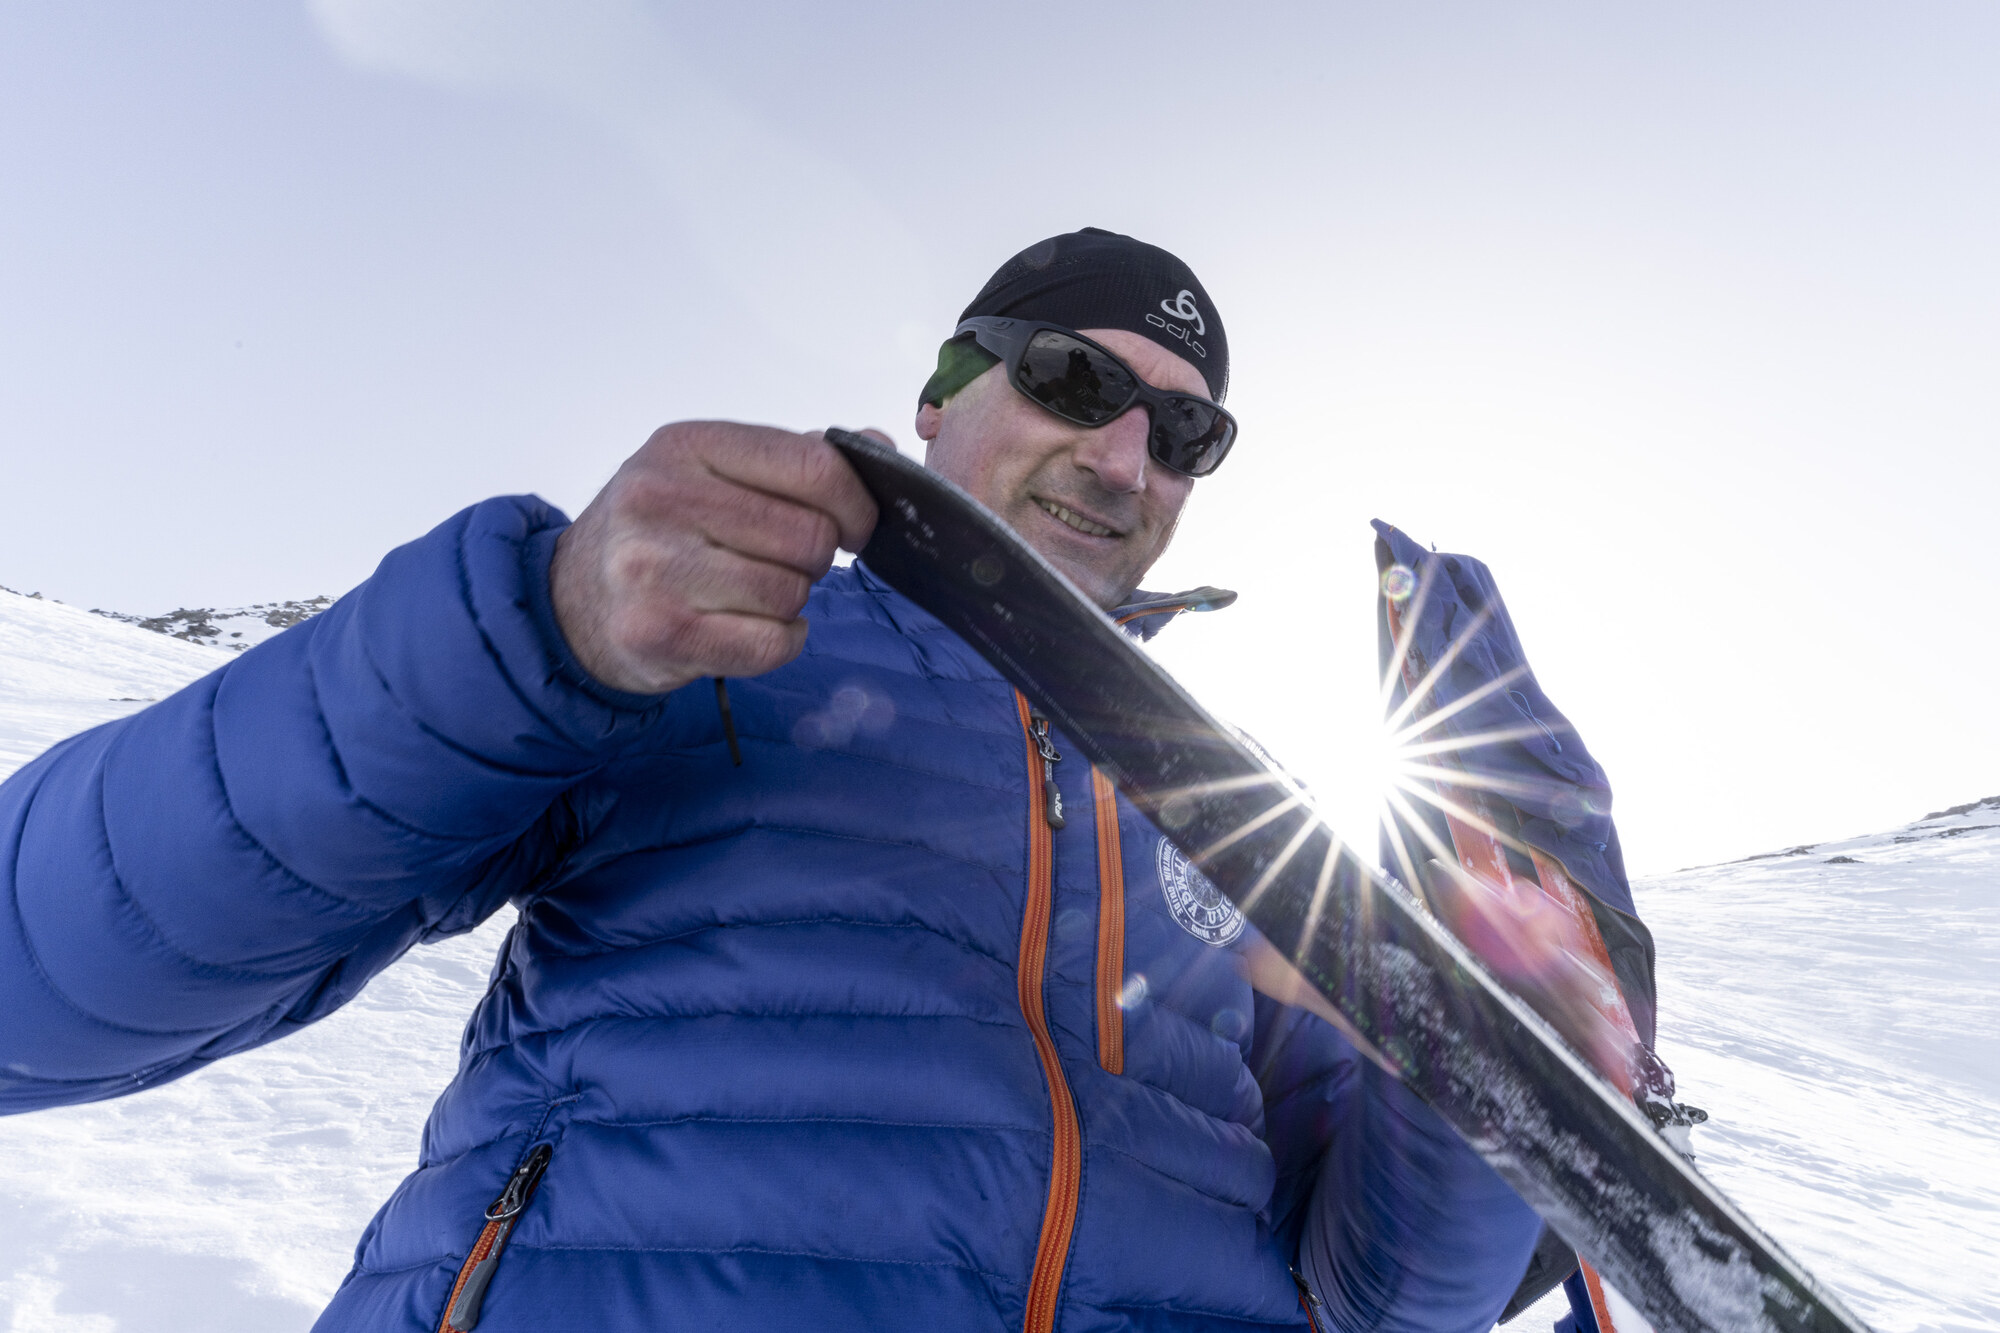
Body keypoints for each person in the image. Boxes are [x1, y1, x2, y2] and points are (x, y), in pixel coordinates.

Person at [0, 228, 1542, 1331]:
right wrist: (534, 636)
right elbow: (39, 986)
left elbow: (1387, 1295)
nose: (1127, 461)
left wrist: (1486, 1063)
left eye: (1187, 429)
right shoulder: (705, 626)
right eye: (1074, 379)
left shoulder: (1251, 812)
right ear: (944, 395)